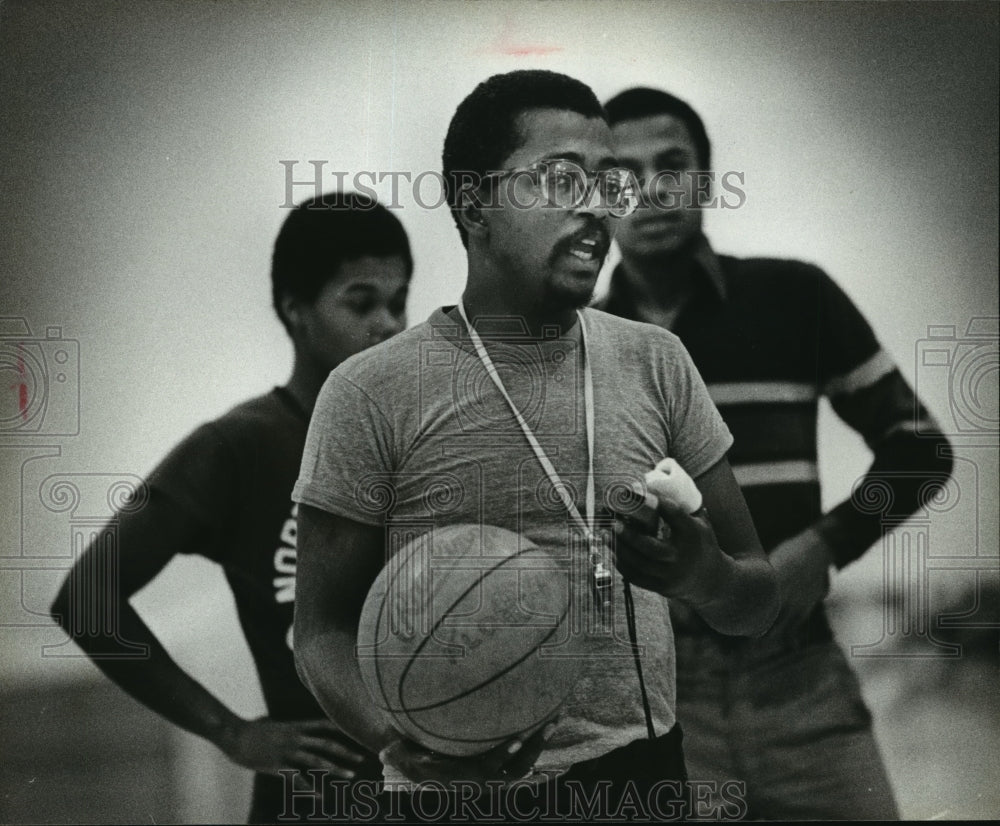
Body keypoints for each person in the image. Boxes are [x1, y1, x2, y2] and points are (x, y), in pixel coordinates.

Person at [292, 69, 780, 823]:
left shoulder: (655, 361)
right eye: (561, 179)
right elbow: (320, 631)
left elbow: (757, 599)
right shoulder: (370, 391)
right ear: (473, 203)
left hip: (640, 780)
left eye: (607, 185)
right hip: (452, 795)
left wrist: (704, 574)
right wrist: (398, 739)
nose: (596, 208)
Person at [597, 86, 954, 820]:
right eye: (622, 176)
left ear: (705, 179)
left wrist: (822, 548)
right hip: (659, 696)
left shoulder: (794, 297)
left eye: (673, 166)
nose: (652, 190)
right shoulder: (581, 339)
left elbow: (919, 450)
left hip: (801, 679)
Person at [50, 191, 413, 824]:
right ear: (295, 309)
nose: (387, 324)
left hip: (435, 789)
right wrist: (230, 731)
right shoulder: (241, 445)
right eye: (361, 303)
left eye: (398, 301)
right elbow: (86, 598)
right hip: (317, 796)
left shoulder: (422, 432)